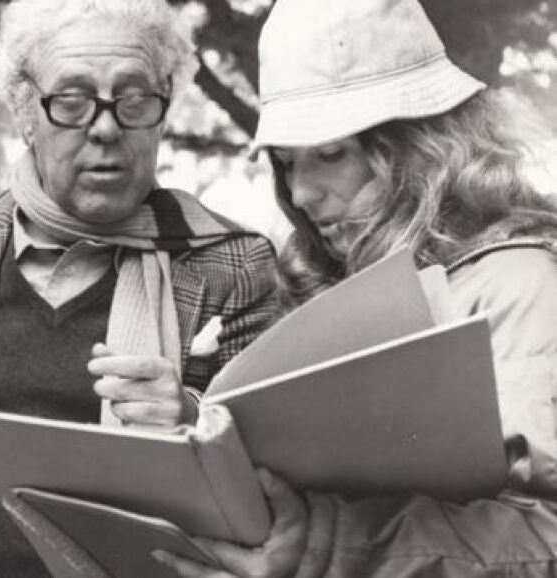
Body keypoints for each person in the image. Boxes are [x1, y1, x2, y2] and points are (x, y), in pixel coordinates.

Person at [0, 0, 279, 576]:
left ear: (164, 109)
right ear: (24, 112)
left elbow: (272, 490)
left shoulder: (230, 265)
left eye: (134, 99)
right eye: (73, 101)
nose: (105, 128)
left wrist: (191, 419)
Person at [154, 0, 557, 576]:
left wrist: (333, 545)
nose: (302, 194)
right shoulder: (326, 275)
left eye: (330, 155)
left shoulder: (520, 285)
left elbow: (548, 536)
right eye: (286, 163)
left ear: (422, 146)